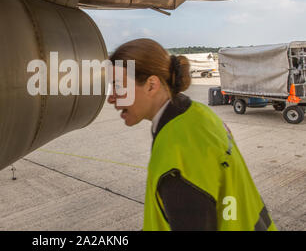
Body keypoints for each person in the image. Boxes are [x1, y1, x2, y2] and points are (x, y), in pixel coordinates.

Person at [107, 38, 276, 231]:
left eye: (118, 86)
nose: (111, 97)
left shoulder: (176, 155)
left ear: (151, 85)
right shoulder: (198, 114)